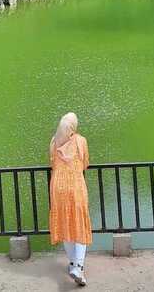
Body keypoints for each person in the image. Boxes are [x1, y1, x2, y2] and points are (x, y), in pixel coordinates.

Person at [48, 112, 91, 286]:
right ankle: (78, 267)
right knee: (79, 224)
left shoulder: (54, 142)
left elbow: (52, 162)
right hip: (75, 185)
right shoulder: (80, 141)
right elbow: (85, 163)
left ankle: (72, 263)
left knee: (65, 223)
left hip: (58, 187)